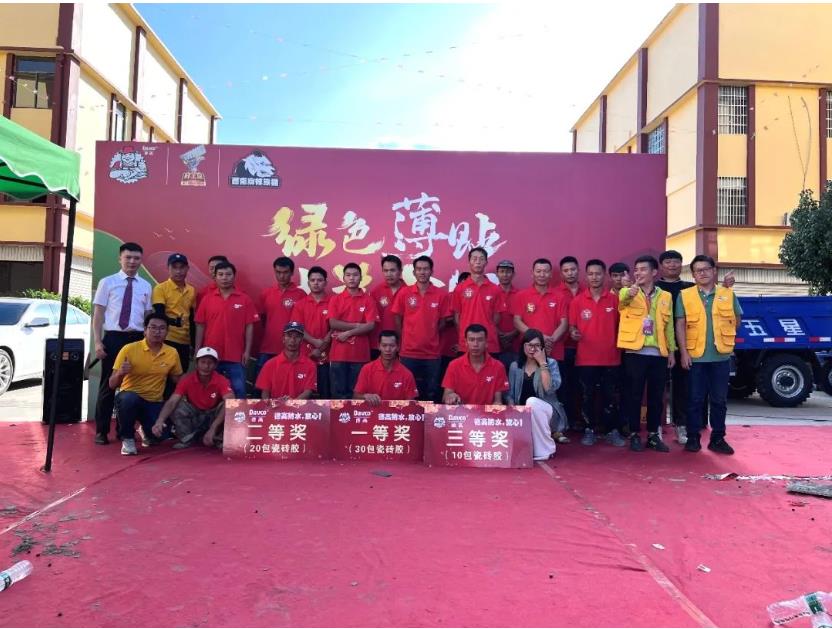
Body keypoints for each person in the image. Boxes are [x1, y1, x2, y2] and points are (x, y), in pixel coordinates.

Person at [676, 255, 742, 455]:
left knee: (719, 401)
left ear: (714, 271)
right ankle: (693, 438)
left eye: (706, 269)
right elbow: (680, 325)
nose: (702, 273)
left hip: (720, 358)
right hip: (695, 357)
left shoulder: (727, 294)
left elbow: (737, 321)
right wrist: (683, 353)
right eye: (698, 270)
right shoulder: (685, 295)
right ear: (693, 274)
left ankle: (718, 439)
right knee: (694, 400)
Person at [91, 242, 152, 445]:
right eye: (128, 257)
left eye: (136, 258)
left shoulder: (145, 286)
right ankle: (101, 431)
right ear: (120, 259)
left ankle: (124, 429)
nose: (132, 261)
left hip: (137, 339)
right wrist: (98, 342)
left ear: (141, 261)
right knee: (108, 385)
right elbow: (98, 314)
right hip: (114, 338)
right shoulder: (107, 282)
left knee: (131, 386)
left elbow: (147, 316)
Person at [617, 255, 676, 452]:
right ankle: (634, 434)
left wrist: (671, 351)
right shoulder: (627, 291)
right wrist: (629, 292)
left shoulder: (665, 296)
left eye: (643, 269)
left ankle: (653, 435)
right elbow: (622, 302)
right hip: (635, 352)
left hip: (658, 354)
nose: (638, 273)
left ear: (654, 272)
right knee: (634, 395)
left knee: (656, 396)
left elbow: (669, 326)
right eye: (636, 270)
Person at [512, 258, 570, 443]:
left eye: (545, 271)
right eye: (538, 271)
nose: (542, 274)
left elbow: (564, 323)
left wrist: (550, 339)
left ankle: (556, 428)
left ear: (551, 274)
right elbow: (517, 321)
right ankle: (525, 425)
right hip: (528, 353)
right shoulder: (522, 295)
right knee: (527, 388)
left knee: (552, 391)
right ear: (532, 273)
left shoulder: (559, 296)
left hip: (553, 351)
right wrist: (537, 338)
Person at [569, 259, 626, 447]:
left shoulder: (615, 300)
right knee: (587, 397)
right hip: (586, 359)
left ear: (604, 275)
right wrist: (573, 333)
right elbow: (572, 328)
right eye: (591, 274)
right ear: (586, 276)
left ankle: (612, 431)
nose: (594, 277)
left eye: (598, 273)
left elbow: (623, 326)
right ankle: (589, 430)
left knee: (611, 397)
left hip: (611, 358)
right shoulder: (577, 301)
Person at [109, 313, 183, 455]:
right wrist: (120, 373)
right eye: (153, 327)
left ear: (167, 332)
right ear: (145, 330)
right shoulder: (129, 349)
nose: (157, 332)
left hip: (154, 402)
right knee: (128, 399)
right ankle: (128, 439)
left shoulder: (172, 353)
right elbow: (112, 384)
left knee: (162, 435)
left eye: (162, 328)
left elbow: (178, 380)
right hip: (131, 398)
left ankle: (146, 431)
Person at [390, 255, 451, 403]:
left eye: (425, 269)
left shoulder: (441, 294)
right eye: (419, 269)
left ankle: (429, 419)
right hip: (408, 352)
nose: (422, 272)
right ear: (414, 272)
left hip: (432, 354)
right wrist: (404, 337)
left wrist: (430, 332)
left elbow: (443, 321)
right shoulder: (404, 293)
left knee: (431, 393)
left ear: (431, 271)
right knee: (407, 393)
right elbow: (397, 318)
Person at [194, 261, 258, 398]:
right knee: (209, 391)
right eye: (221, 274)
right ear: (215, 276)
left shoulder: (244, 299)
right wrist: (197, 350)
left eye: (228, 274)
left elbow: (249, 326)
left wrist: (247, 351)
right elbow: (200, 326)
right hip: (211, 354)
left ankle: (239, 413)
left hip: (236, 354)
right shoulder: (207, 299)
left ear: (234, 276)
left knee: (239, 389)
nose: (224, 278)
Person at [151, 347, 233, 449]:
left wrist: (213, 428)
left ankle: (217, 438)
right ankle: (187, 438)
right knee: (177, 405)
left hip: (213, 416)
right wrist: (160, 421)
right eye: (203, 362)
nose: (206, 366)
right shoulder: (187, 379)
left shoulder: (221, 380)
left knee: (228, 405)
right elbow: (172, 401)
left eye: (210, 363)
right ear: (196, 364)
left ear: (215, 365)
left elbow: (231, 401)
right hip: (195, 414)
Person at [505, 328, 562, 461]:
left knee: (532, 402)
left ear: (542, 348)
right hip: (522, 413)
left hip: (548, 412)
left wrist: (542, 363)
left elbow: (550, 389)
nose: (532, 349)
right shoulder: (515, 366)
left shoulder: (551, 364)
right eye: (529, 345)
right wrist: (512, 407)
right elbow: (509, 393)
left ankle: (547, 450)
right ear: (523, 346)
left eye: (537, 346)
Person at [328, 262, 379, 399]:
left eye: (355, 275)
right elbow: (333, 323)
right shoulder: (335, 299)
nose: (352, 278)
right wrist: (358, 325)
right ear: (343, 278)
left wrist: (348, 333)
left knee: (358, 396)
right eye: (348, 275)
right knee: (338, 397)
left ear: (361, 278)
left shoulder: (368, 300)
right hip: (338, 354)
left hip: (360, 356)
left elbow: (370, 325)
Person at [452, 247, 506, 357]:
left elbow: (496, 318)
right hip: (466, 345)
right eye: (474, 258)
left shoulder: (495, 289)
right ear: (469, 262)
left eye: (481, 259)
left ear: (486, 262)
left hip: (489, 344)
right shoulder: (460, 288)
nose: (478, 262)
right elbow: (457, 318)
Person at [257, 256, 307, 374]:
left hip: (292, 348)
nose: (282, 276)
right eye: (278, 272)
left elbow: (304, 323)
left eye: (285, 272)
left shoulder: (301, 294)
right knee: (261, 381)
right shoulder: (266, 293)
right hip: (268, 347)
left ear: (292, 273)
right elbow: (262, 319)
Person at [290, 266, 333, 398]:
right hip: (306, 355)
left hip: (328, 356)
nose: (316, 283)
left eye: (319, 280)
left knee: (326, 394)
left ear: (325, 282)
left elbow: (335, 327)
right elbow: (297, 328)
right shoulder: (300, 304)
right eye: (312, 280)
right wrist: (314, 341)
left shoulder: (333, 302)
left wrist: (321, 347)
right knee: (304, 394)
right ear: (308, 283)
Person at [442, 324, 509, 405]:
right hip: (461, 411)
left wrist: (497, 405)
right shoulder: (454, 365)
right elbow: (446, 395)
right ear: (466, 342)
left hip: (487, 412)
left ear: (486, 343)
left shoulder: (498, 367)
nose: (475, 344)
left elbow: (498, 400)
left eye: (480, 340)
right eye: (471, 340)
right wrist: (450, 396)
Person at [152, 253, 195, 373]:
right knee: (164, 374)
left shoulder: (192, 290)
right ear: (168, 268)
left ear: (187, 269)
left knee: (181, 373)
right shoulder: (160, 288)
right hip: (166, 339)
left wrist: (193, 343)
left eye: (182, 267)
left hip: (185, 341)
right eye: (174, 267)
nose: (178, 271)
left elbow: (192, 319)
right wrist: (174, 322)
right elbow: (159, 314)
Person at [553, 256, 583, 432]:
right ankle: (564, 422)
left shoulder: (588, 290)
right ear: (561, 273)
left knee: (581, 387)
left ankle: (580, 421)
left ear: (578, 270)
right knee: (563, 386)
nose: (570, 273)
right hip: (562, 348)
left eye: (573, 269)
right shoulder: (556, 293)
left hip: (585, 348)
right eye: (566, 270)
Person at [255, 322, 317, 400]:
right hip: (275, 406)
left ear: (301, 340)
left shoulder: (310, 365)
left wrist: (292, 403)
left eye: (297, 336)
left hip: (299, 407)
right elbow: (265, 393)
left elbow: (308, 391)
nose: (293, 340)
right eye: (289, 336)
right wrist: (276, 404)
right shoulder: (270, 364)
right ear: (283, 339)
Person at [354, 330, 419, 405]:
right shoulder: (367, 369)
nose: (388, 349)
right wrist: (365, 396)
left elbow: (411, 404)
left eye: (392, 346)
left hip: (397, 412)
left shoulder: (407, 374)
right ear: (379, 346)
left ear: (398, 347)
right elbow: (355, 397)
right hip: (372, 412)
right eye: (384, 345)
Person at [370, 254, 405, 359]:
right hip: (379, 344)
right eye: (386, 271)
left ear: (400, 271)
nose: (389, 274)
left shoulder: (409, 291)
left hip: (402, 344)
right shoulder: (376, 291)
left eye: (392, 270)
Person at [495, 259, 520, 373]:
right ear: (497, 273)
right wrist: (500, 335)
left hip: (516, 344)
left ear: (513, 274)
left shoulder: (520, 295)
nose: (505, 274)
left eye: (508, 272)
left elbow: (525, 319)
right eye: (502, 271)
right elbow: (486, 317)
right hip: (495, 344)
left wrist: (511, 335)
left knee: (515, 378)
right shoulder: (491, 292)